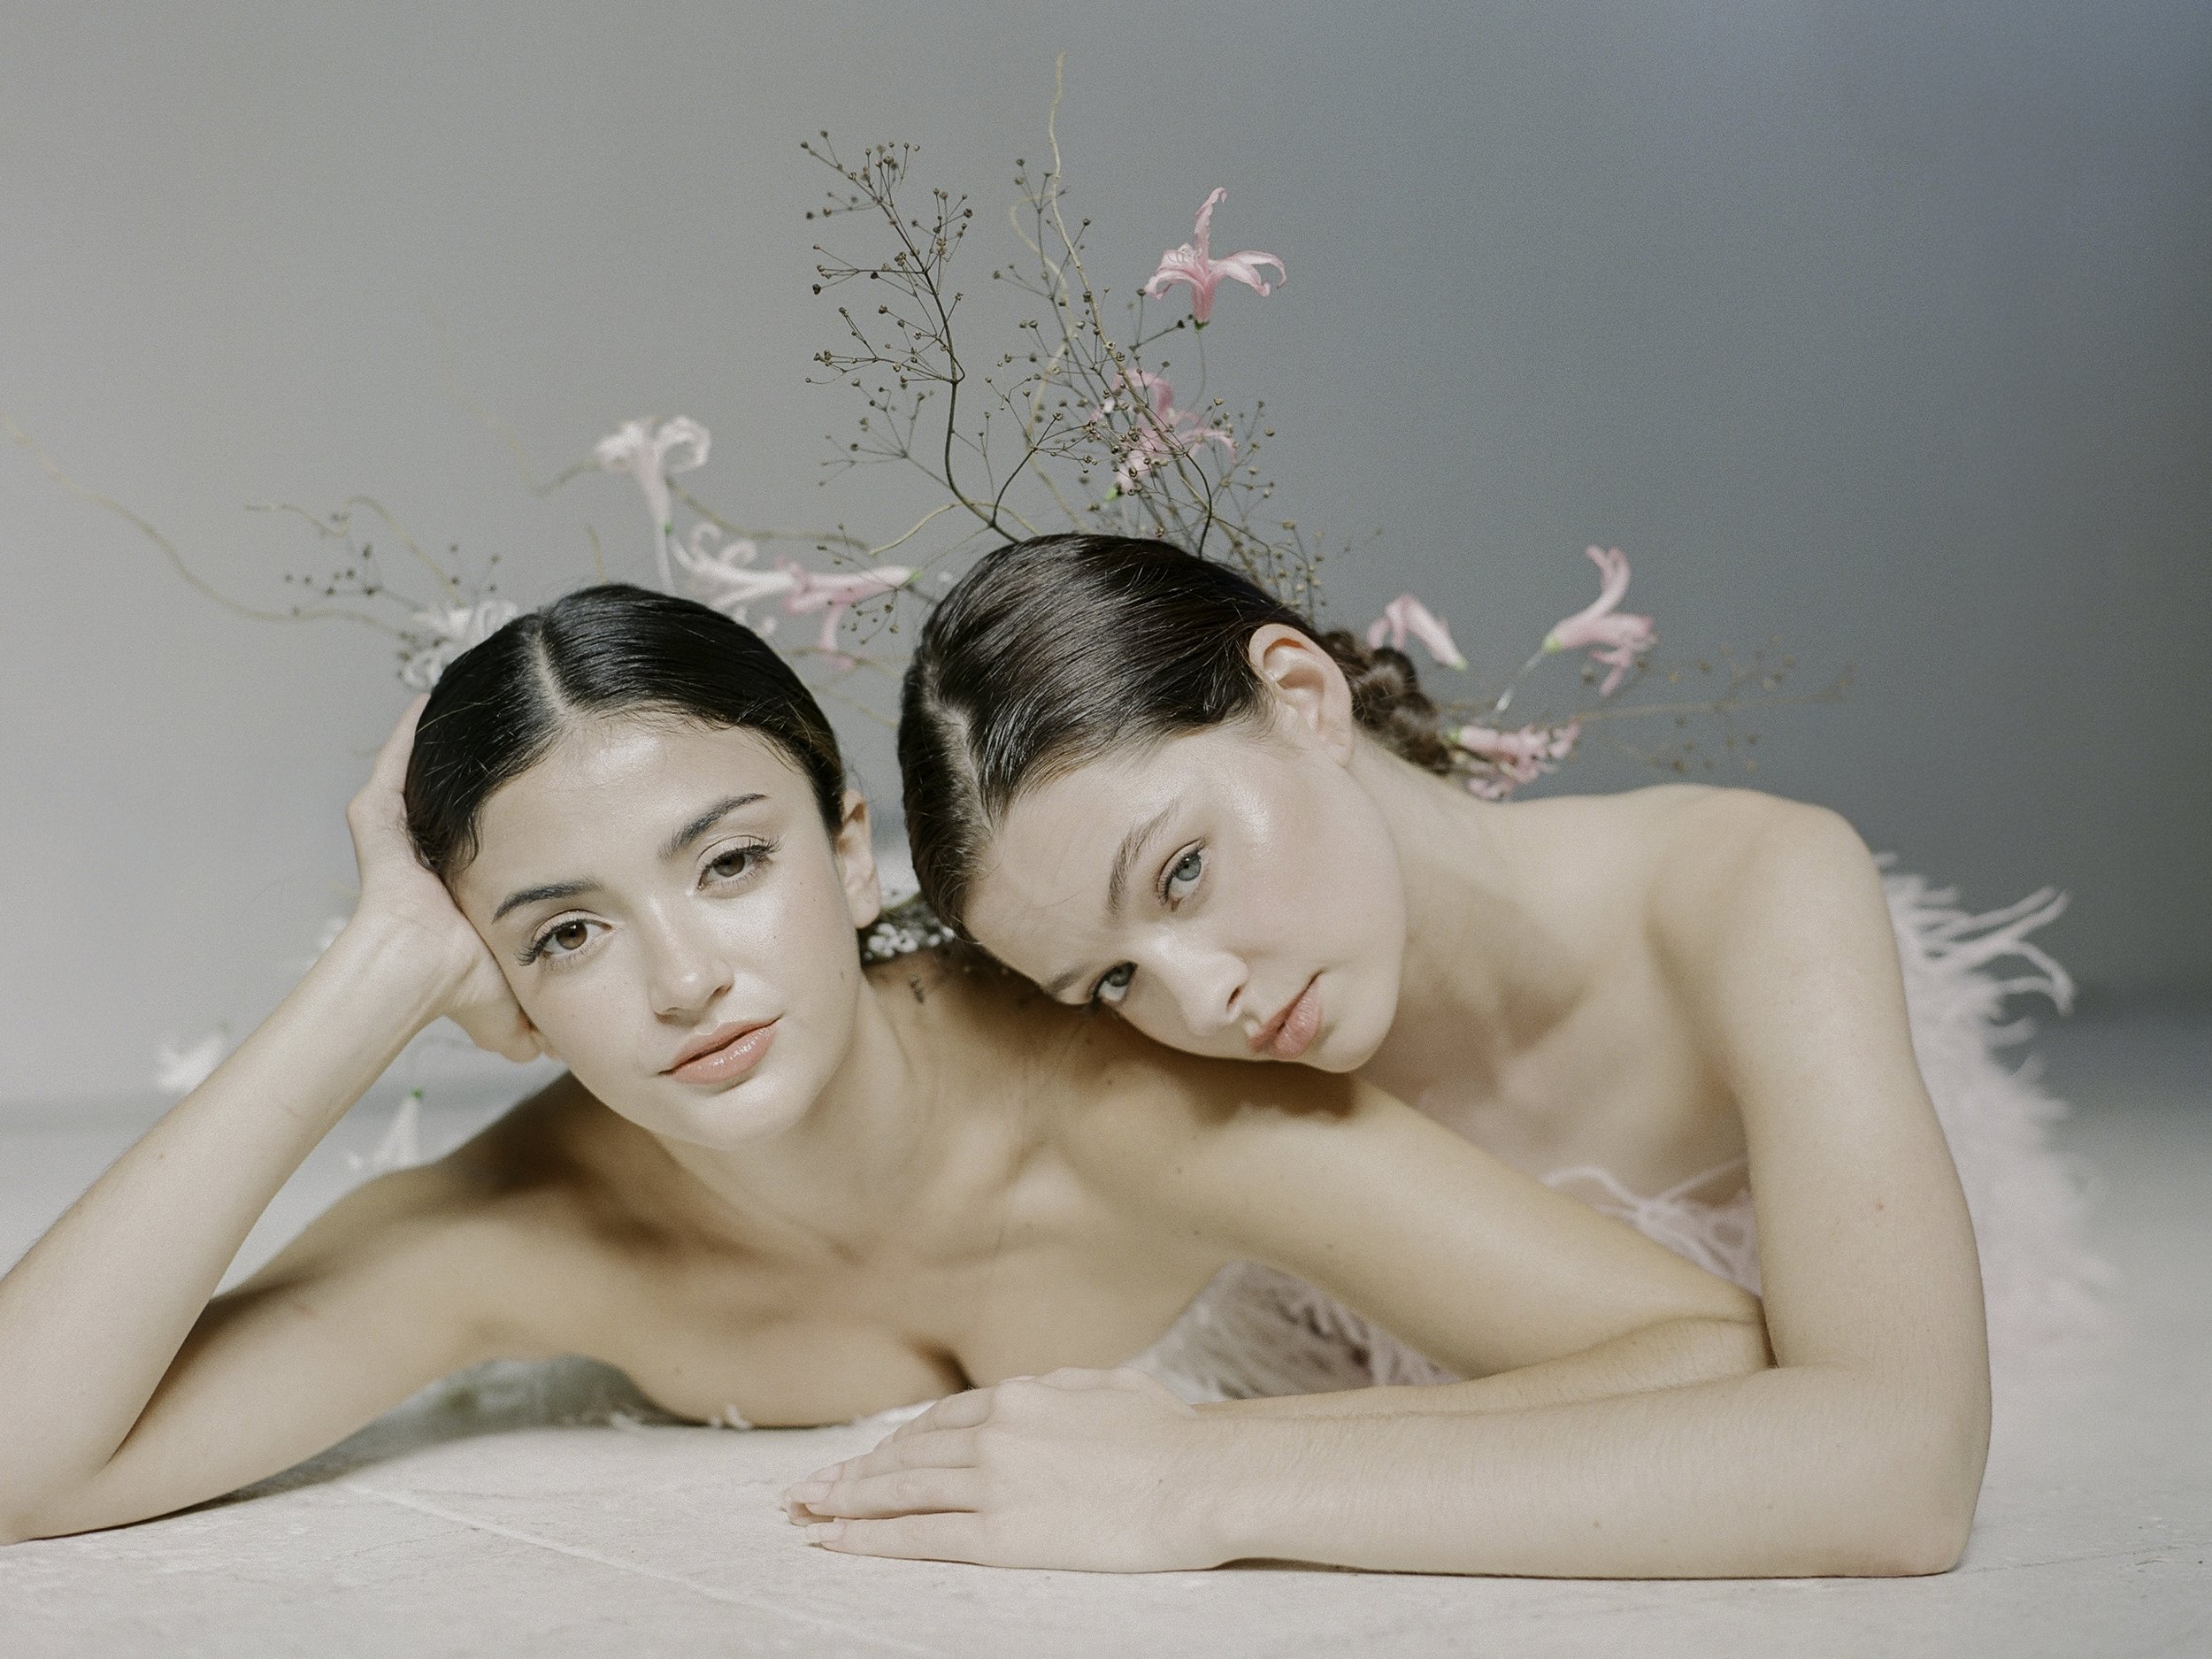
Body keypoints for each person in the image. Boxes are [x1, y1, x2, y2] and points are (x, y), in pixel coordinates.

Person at [0, 583, 1772, 1577]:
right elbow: (26, 1464)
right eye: (562, 935)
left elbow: (1693, 1348)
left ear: (851, 853)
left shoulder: (1121, 1094)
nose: (684, 976)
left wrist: (1210, 1473)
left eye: (726, 863)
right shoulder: (520, 1232)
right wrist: (368, 973)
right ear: (507, 994)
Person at [892, 534, 2101, 1575]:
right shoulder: (1213, 1090)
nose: (1202, 1001)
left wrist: (1195, 1481)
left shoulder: (1747, 890)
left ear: (1304, 693)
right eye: (1111, 980)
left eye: (1185, 870)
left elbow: (1901, 1469)